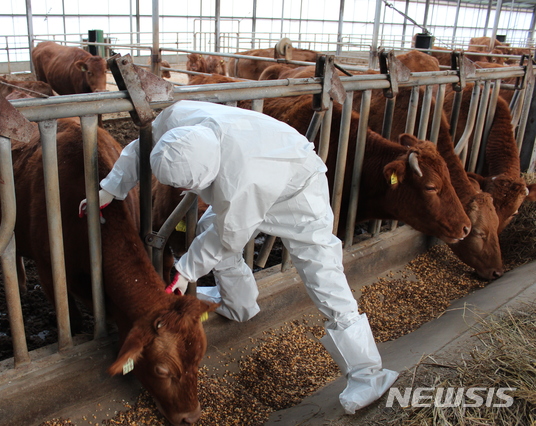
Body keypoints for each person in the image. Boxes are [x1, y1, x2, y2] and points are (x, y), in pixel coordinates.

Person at [79, 100, 398, 414]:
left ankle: (368, 374)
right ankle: (240, 303)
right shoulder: (177, 119)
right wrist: (110, 188)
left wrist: (186, 270)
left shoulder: (242, 181)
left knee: (322, 274)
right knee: (208, 226)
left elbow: (227, 237)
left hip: (296, 188)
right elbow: (140, 148)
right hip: (256, 162)